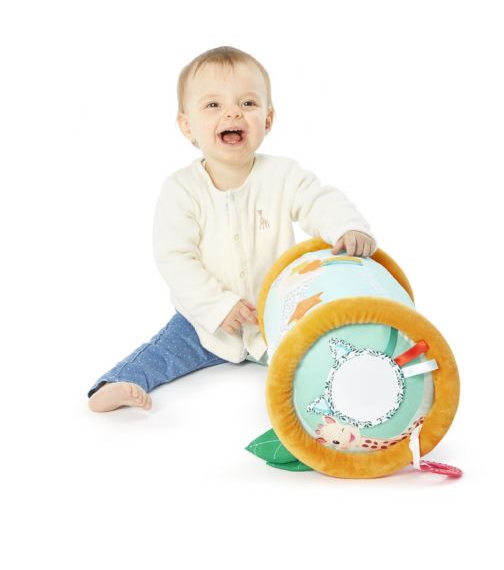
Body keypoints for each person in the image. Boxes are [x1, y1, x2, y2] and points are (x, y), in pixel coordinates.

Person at [88, 45, 377, 412]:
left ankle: (348, 393)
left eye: (248, 103)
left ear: (268, 120)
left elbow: (319, 200)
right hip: (204, 323)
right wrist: (217, 305)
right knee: (162, 352)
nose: (232, 112)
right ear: (187, 125)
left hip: (275, 317)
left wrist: (347, 228)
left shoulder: (283, 175)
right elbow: (175, 259)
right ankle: (117, 383)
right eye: (213, 105)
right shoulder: (181, 190)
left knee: (312, 356)